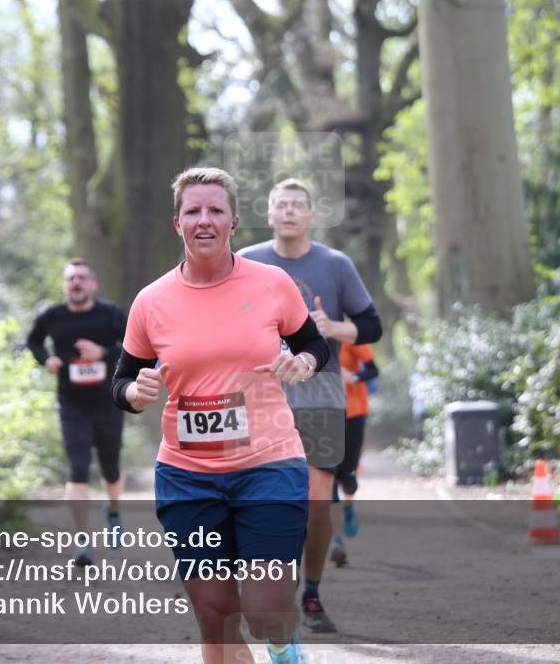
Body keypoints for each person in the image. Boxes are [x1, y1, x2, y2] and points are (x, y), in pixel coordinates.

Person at [111, 167, 329, 664]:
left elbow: (312, 343)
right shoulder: (151, 301)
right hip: (188, 478)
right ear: (178, 223)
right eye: (193, 211)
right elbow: (122, 381)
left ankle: (283, 646)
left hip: (269, 465)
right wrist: (135, 391)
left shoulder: (273, 283)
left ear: (233, 222)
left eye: (215, 211)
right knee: (215, 614)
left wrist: (303, 361)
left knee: (268, 609)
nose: (203, 220)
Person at [238, 178, 382, 634]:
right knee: (263, 501)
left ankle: (312, 594)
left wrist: (331, 328)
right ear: (269, 212)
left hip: (320, 395)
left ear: (311, 214)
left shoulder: (335, 265)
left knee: (317, 500)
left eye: (297, 205)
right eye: (281, 204)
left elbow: (371, 325)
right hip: (258, 397)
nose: (289, 211)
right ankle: (269, 588)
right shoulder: (246, 262)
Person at [27, 259, 127, 566]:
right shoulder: (52, 317)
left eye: (82, 278)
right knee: (78, 467)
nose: (76, 283)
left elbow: (136, 348)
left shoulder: (111, 315)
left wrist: (104, 353)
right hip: (72, 404)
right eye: (71, 279)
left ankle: (112, 511)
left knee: (110, 467)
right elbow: (33, 341)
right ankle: (83, 541)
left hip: (108, 402)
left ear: (93, 284)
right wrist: (46, 359)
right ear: (64, 285)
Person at [329, 343, 379, 568]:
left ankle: (348, 505)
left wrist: (353, 376)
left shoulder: (351, 338)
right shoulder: (309, 336)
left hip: (355, 411)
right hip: (325, 413)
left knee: (349, 477)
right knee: (328, 477)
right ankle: (337, 540)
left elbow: (373, 370)